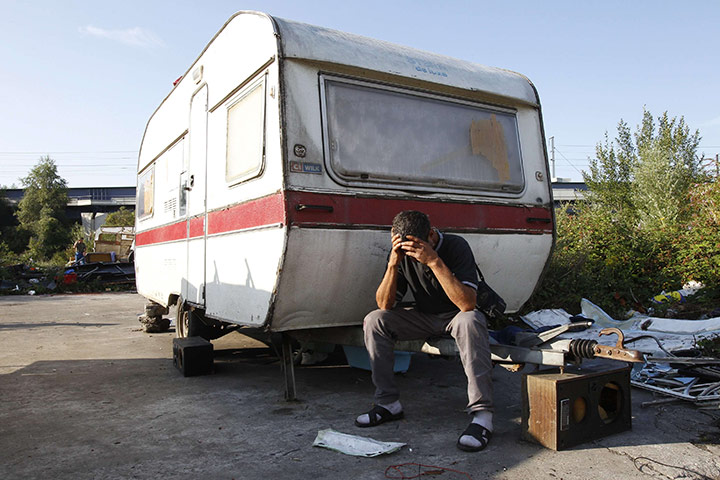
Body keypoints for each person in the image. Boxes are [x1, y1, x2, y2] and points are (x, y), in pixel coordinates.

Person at [355, 210, 494, 452]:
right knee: (375, 319)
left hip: (456, 316)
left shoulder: (456, 246)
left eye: (418, 245)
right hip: (424, 317)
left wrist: (433, 261)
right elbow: (385, 305)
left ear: (430, 235)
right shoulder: (401, 252)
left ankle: (482, 416)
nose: (413, 252)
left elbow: (467, 303)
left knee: (470, 320)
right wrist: (393, 263)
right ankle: (388, 404)